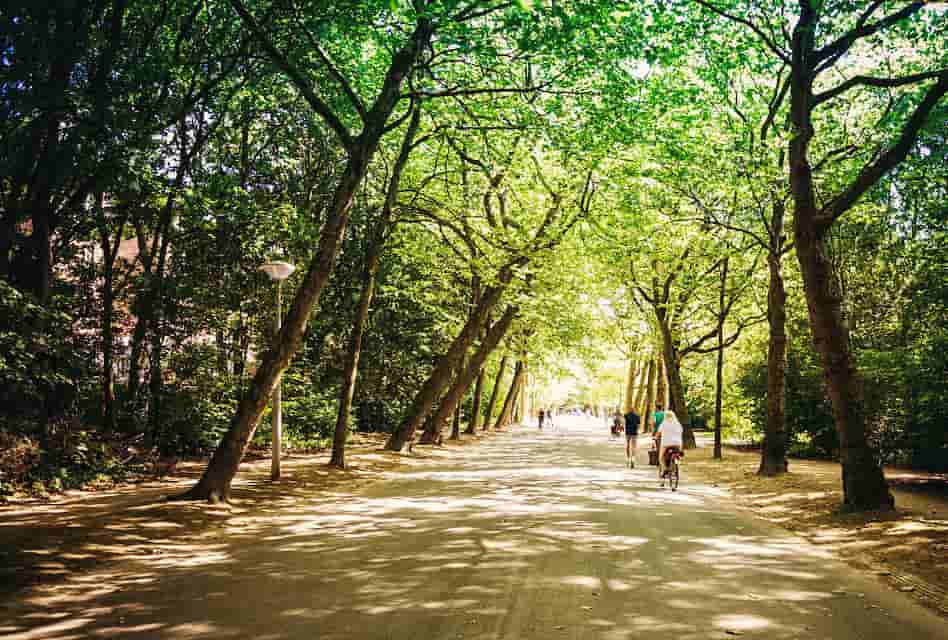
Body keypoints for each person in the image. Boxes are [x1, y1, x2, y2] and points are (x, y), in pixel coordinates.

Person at [653, 409, 684, 479]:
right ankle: (676, 463)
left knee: (660, 457)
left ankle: (664, 469)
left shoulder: (663, 424)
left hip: (666, 443)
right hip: (677, 443)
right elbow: (681, 433)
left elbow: (658, 434)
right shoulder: (678, 424)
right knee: (678, 453)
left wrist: (655, 438)